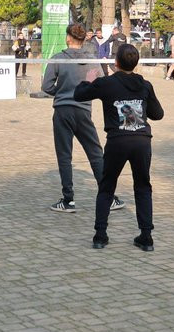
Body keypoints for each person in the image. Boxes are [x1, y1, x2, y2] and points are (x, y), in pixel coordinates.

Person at [73, 43, 164, 251]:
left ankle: (100, 235)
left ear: (116, 62)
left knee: (107, 186)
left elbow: (79, 94)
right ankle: (146, 236)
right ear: (136, 63)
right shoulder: (145, 85)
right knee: (143, 186)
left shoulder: (107, 83)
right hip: (141, 140)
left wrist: (88, 81)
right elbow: (158, 114)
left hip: (118, 140)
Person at [41, 23, 124, 214]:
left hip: (62, 111)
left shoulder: (58, 59)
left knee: (64, 156)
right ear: (83, 39)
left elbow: (46, 86)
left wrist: (62, 90)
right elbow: (101, 84)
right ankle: (109, 197)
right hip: (83, 111)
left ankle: (68, 200)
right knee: (95, 153)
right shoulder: (92, 60)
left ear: (68, 38)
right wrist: (86, 91)